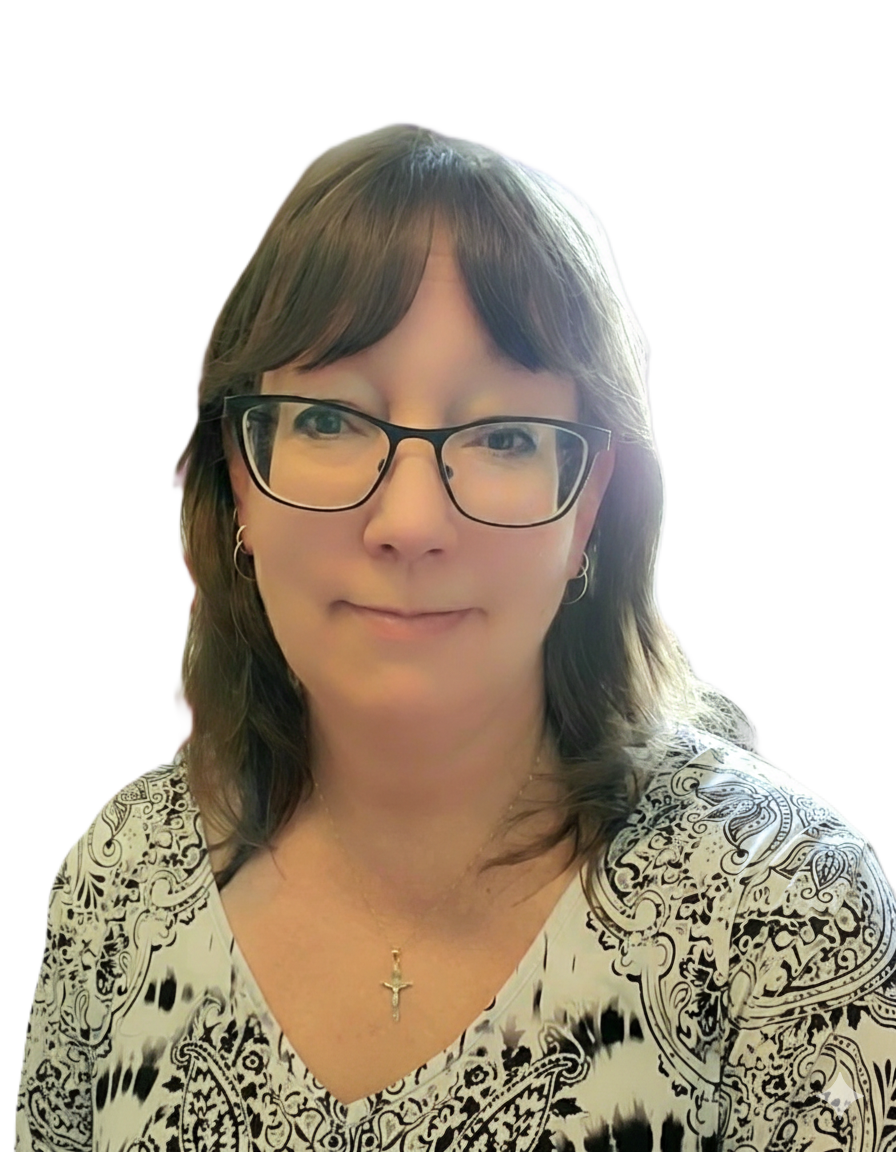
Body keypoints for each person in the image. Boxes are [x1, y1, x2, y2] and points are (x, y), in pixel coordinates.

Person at [16, 122, 895, 1150]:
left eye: (504, 437)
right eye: (331, 421)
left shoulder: (783, 908)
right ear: (235, 487)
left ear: (588, 513)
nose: (410, 524)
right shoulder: (119, 875)